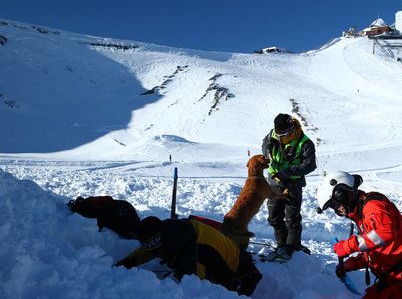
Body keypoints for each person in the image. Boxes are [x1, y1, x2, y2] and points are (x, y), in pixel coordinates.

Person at [317, 171, 402, 299]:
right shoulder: (361, 214)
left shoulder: (373, 205)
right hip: (393, 280)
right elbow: (374, 251)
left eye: (335, 205)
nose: (337, 210)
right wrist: (349, 265)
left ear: (341, 194)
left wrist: (347, 246)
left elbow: (385, 233)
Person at [114, 216, 262, 296]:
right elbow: (147, 250)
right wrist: (127, 262)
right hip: (231, 258)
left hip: (241, 276)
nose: (155, 256)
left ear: (162, 244)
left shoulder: (191, 255)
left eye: (157, 252)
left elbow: (195, 289)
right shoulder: (170, 230)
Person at [262, 113, 316, 260]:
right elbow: (264, 145)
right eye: (278, 133)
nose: (280, 137)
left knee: (292, 219)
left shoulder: (305, 143)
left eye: (283, 134)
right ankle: (281, 246)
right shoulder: (272, 135)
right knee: (274, 217)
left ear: (291, 128)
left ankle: (292, 249)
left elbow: (310, 164)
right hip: (274, 184)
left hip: (293, 184)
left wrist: (289, 171)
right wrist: (267, 150)